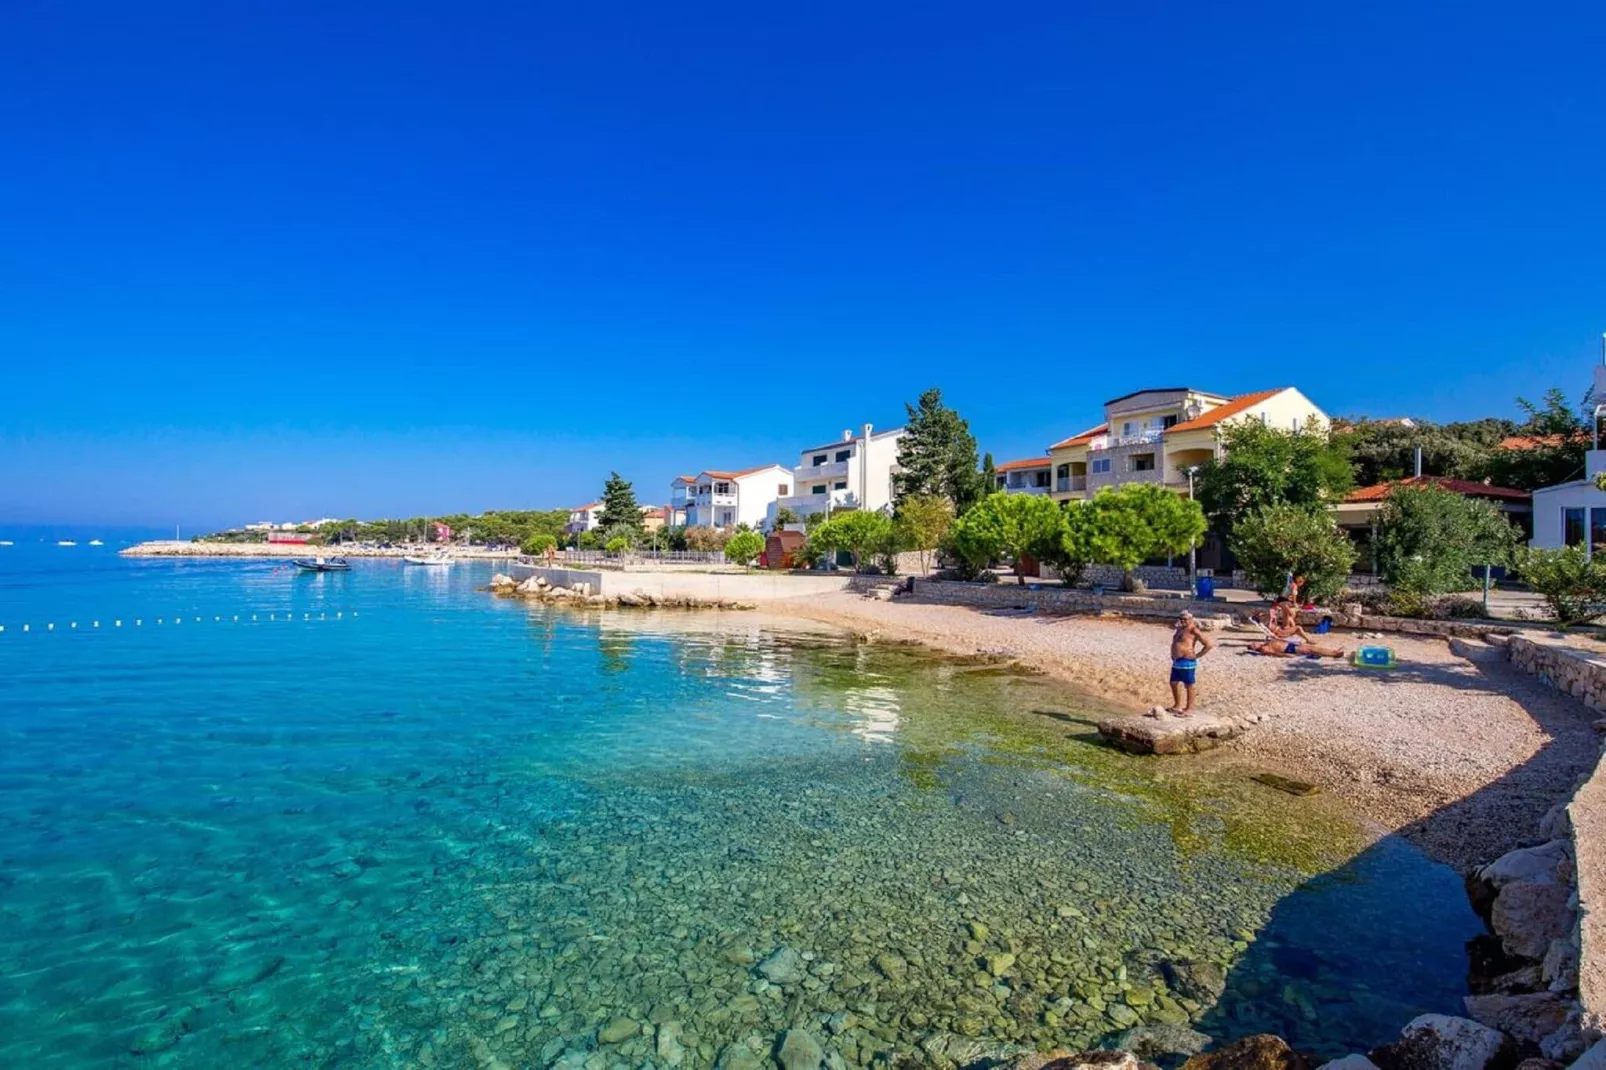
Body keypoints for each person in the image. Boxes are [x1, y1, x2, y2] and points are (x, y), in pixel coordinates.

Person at [1257, 600, 1346, 659]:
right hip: (1290, 649)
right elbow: (1277, 654)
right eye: (1254, 645)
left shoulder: (1267, 643)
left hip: (1290, 644)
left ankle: (1334, 652)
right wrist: (1290, 656)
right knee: (1312, 650)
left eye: (1254, 643)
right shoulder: (1265, 648)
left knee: (1312, 648)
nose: (1255, 643)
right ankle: (1334, 654)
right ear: (1255, 648)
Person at [1168, 610, 1214, 716]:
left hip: (1187, 661)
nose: (1182, 620)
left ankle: (1189, 708)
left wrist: (1197, 655)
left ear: (1191, 619)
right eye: (1181, 618)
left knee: (1189, 685)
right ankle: (1177, 705)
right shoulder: (1180, 628)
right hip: (1177, 661)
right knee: (1173, 682)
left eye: (1185, 619)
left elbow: (1208, 644)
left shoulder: (1193, 630)